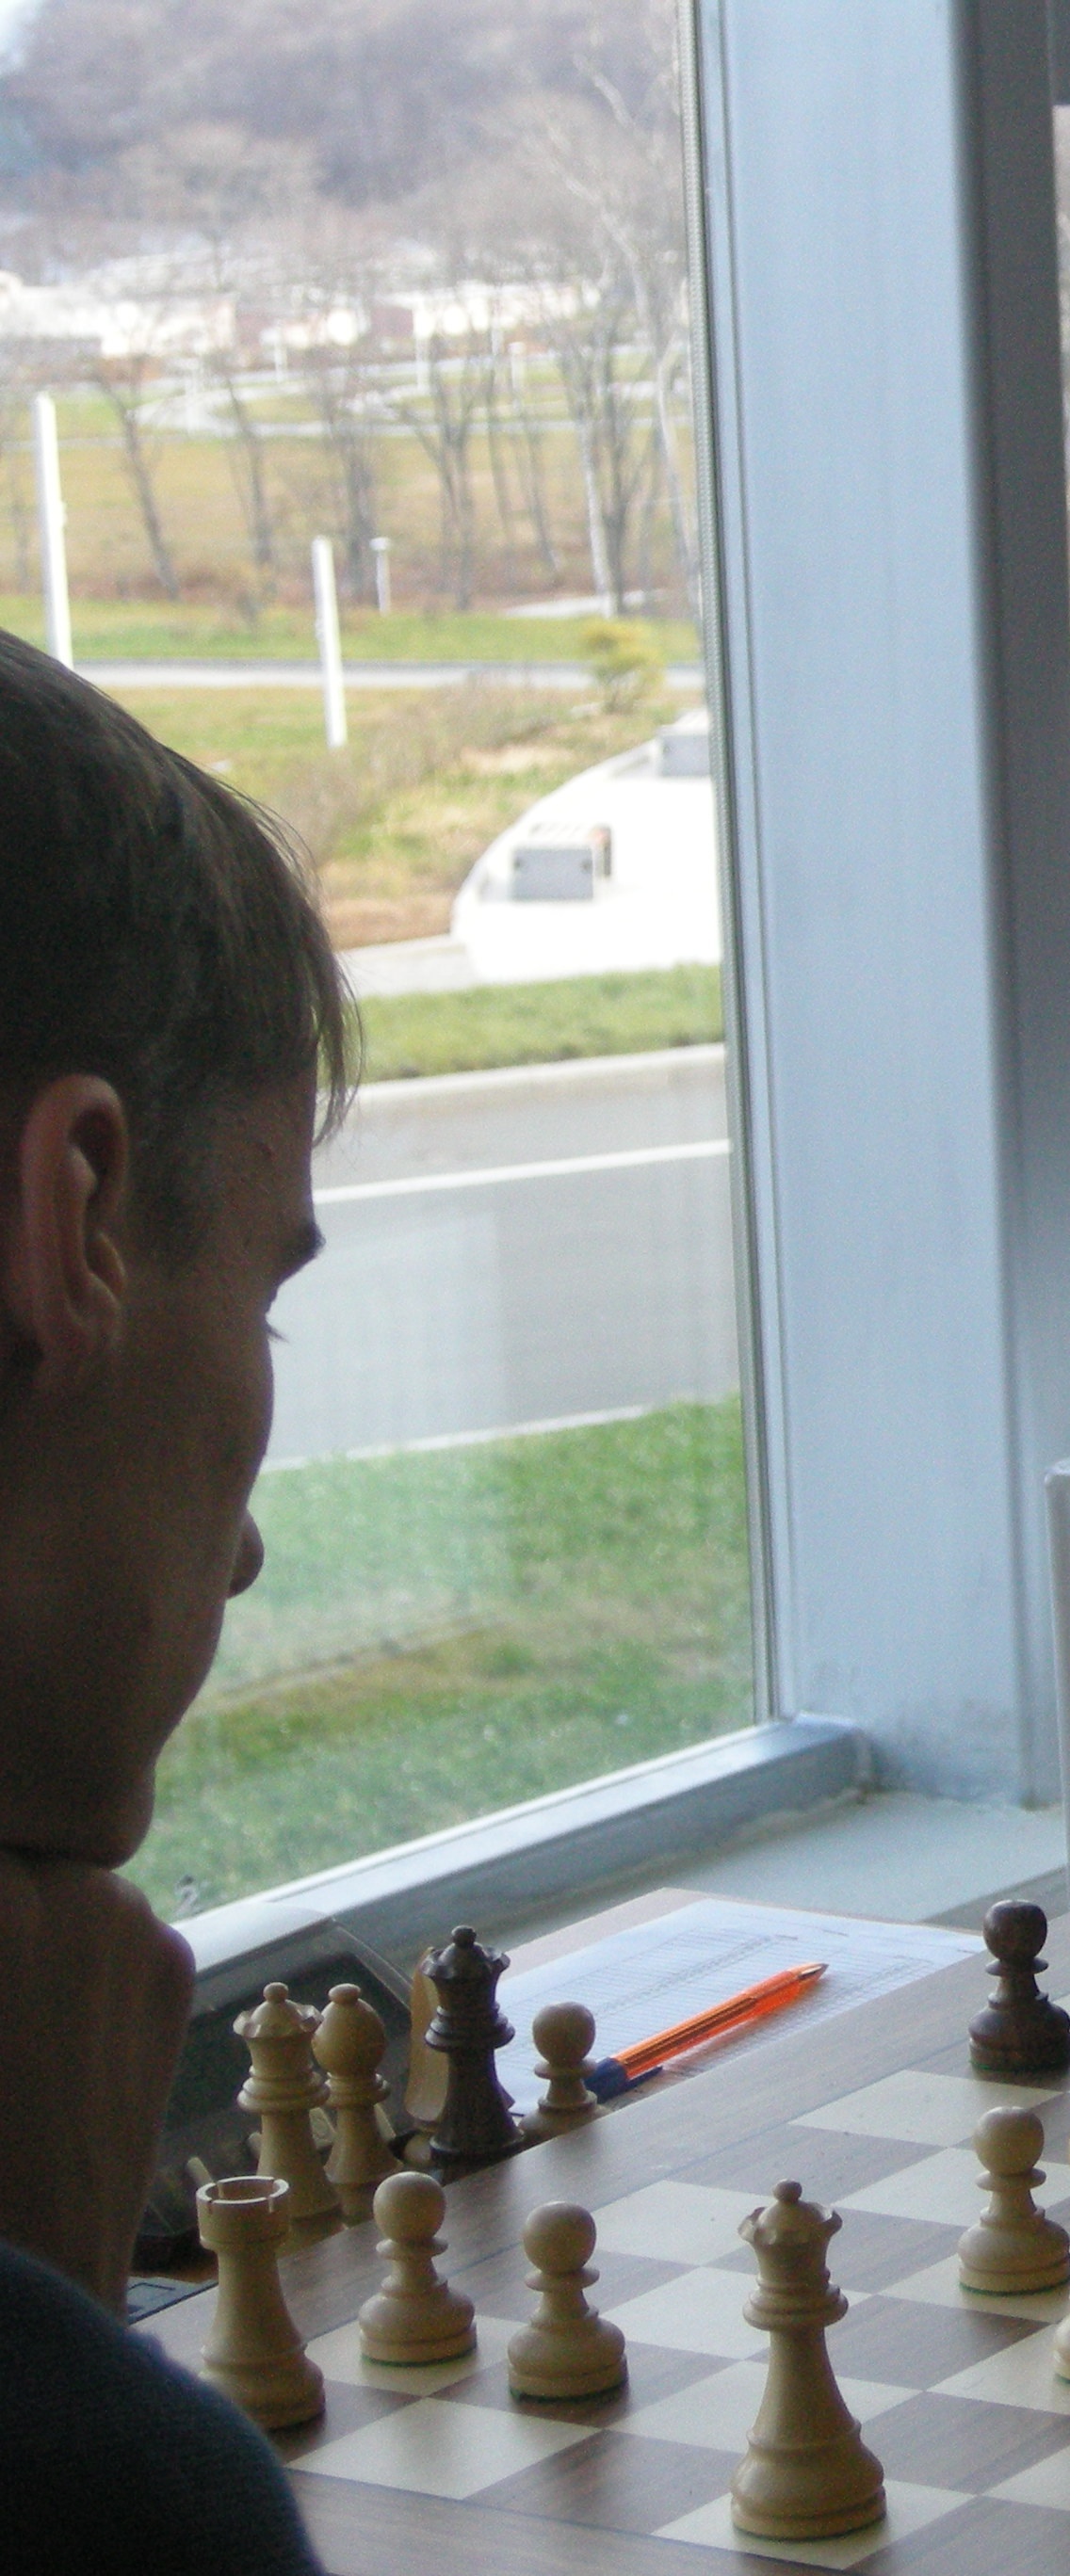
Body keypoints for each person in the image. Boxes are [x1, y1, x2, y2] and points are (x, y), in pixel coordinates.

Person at [0, 629, 341, 2571]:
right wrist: (46, 2349)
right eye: (263, 1296)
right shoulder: (126, 2497)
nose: (248, 1550)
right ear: (75, 1221)